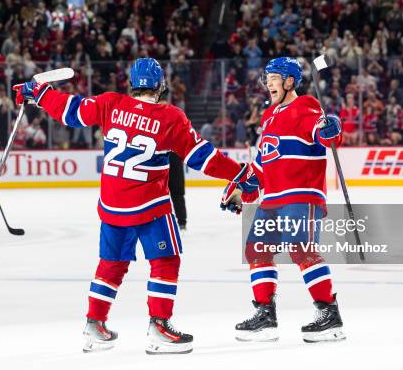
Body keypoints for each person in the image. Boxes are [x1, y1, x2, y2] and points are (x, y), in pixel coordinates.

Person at [14, 58, 249, 354]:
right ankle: (159, 326)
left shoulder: (110, 103)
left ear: (131, 84)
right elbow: (203, 157)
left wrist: (39, 93)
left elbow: (70, 111)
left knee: (111, 265)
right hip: (149, 205)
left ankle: (94, 325)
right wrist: (239, 173)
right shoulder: (170, 117)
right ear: (160, 86)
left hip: (112, 205)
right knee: (166, 260)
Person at [220, 57, 346, 343]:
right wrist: (242, 188)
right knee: (256, 251)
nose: (269, 83)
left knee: (302, 250)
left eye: (274, 77)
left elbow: (322, 132)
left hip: (300, 194)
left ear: (290, 81)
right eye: (267, 78)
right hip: (272, 198)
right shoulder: (269, 116)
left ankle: (329, 314)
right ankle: (266, 315)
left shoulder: (307, 105)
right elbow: (264, 162)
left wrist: (331, 128)